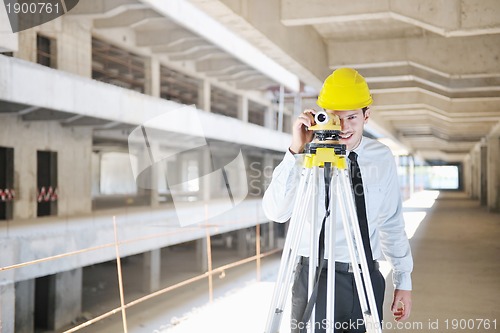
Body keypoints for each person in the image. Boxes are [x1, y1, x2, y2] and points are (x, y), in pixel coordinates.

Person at [262, 68, 413, 333]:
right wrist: (295, 151)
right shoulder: (306, 157)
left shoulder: (381, 157)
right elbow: (276, 212)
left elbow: (391, 222)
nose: (343, 127)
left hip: (365, 278)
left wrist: (403, 280)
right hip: (313, 279)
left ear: (367, 115)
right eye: (335, 117)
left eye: (352, 117)